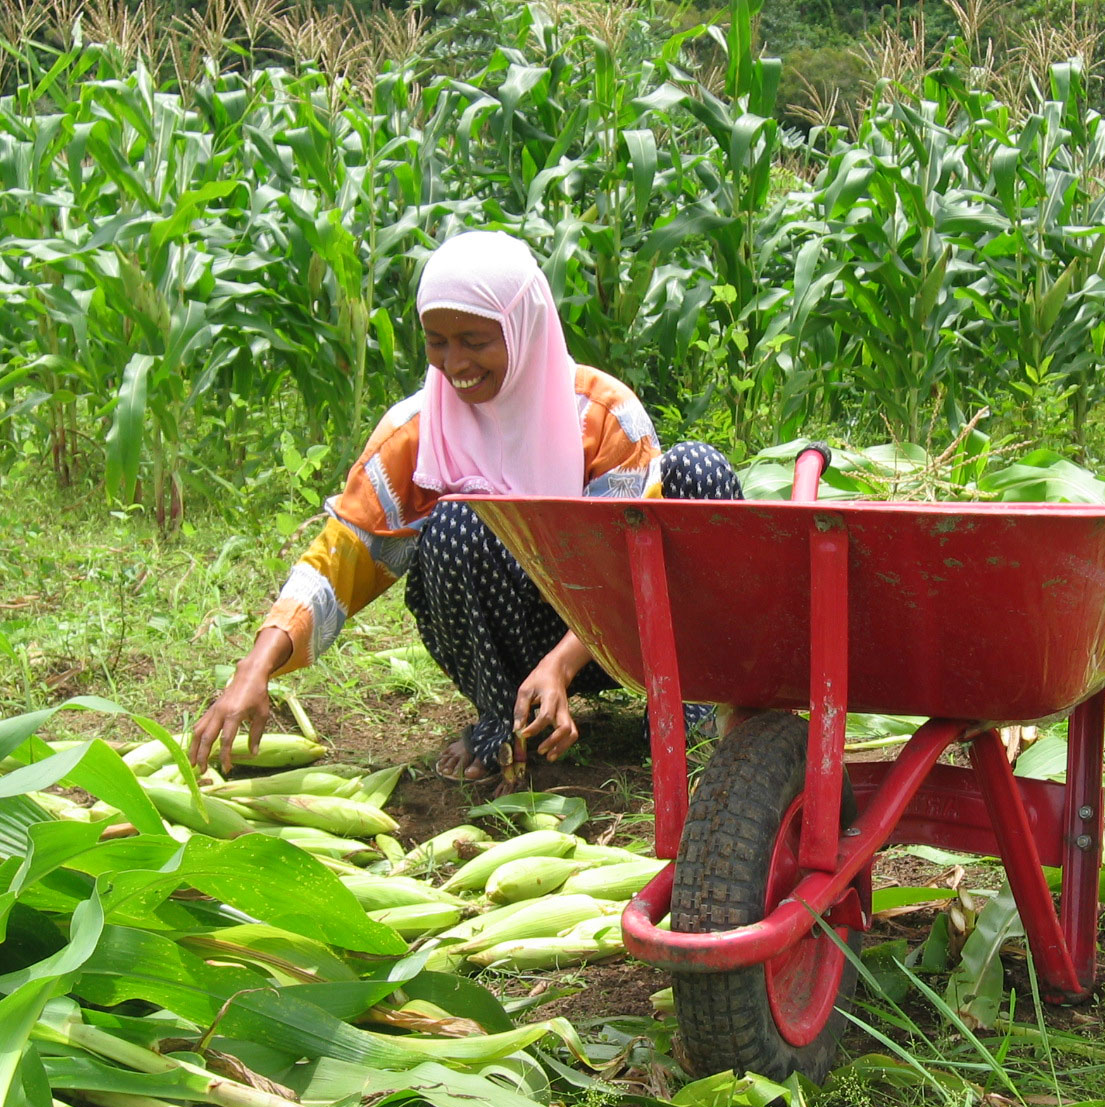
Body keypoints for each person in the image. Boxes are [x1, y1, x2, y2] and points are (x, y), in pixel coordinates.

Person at [189, 230, 742, 779]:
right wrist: (255, 666)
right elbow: (341, 559)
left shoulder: (603, 418)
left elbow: (626, 569)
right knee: (457, 520)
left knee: (699, 471)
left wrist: (563, 663)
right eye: (437, 341)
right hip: (517, 638)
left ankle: (689, 705)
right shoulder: (417, 434)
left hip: (624, 631)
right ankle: (506, 723)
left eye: (475, 341)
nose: (454, 364)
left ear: (522, 328)